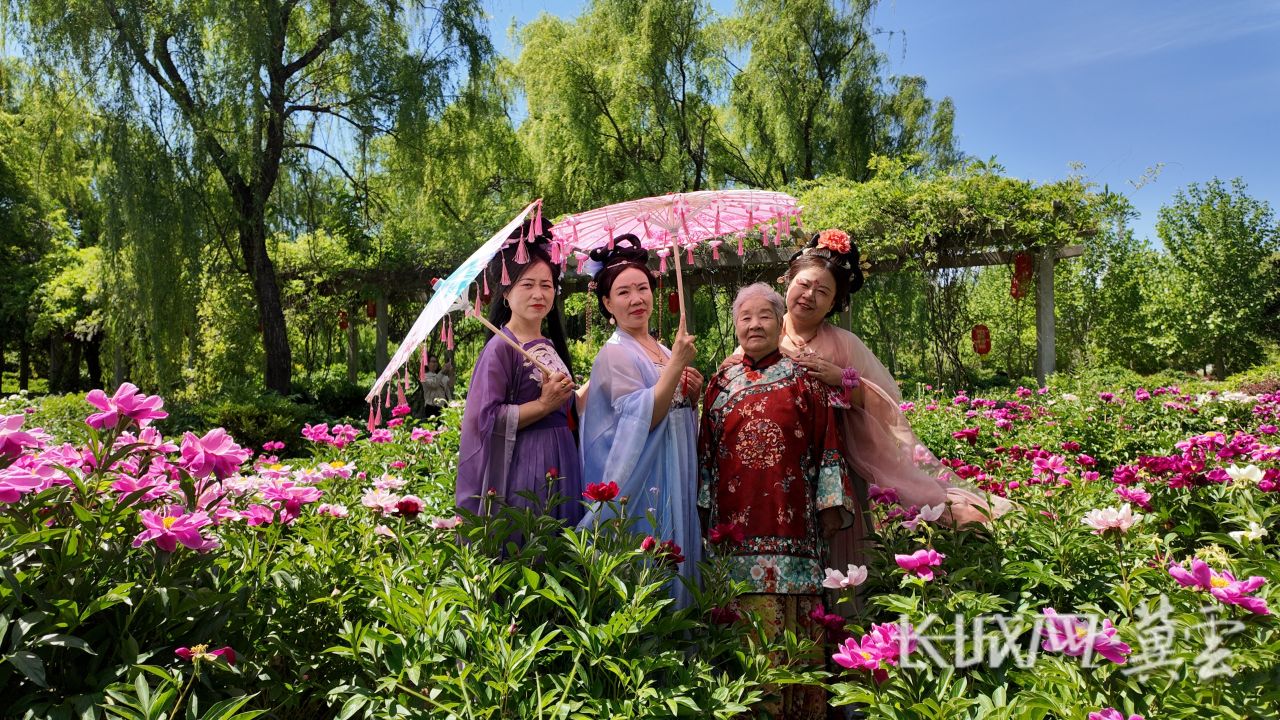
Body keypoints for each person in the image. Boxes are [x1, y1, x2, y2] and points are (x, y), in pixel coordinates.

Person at [775, 229, 1009, 580]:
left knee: (839, 557)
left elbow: (883, 403)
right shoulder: (763, 333)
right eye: (804, 284)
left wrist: (842, 379)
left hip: (836, 468)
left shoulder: (845, 343)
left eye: (823, 292)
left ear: (835, 302)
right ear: (788, 281)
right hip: (780, 465)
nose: (809, 296)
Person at [699, 283, 856, 720]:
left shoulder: (806, 380)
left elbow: (828, 445)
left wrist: (829, 508)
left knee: (796, 650)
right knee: (742, 655)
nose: (754, 325)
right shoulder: (719, 384)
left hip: (795, 534)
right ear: (735, 325)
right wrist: (702, 515)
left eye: (764, 316)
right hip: (734, 538)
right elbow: (705, 458)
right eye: (745, 317)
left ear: (779, 321)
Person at [578, 235, 703, 607]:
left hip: (676, 463)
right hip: (647, 475)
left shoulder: (661, 348)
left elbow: (674, 407)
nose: (636, 299)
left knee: (678, 545)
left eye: (642, 288)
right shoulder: (615, 353)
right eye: (623, 292)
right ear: (607, 303)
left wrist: (692, 395)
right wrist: (676, 366)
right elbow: (643, 418)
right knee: (653, 556)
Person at [456, 219, 583, 523]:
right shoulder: (500, 348)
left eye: (546, 285)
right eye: (527, 285)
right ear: (506, 292)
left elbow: (565, 407)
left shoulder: (549, 345)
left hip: (563, 457)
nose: (538, 294)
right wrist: (542, 405)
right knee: (532, 538)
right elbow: (484, 419)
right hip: (526, 464)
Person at [419, 353, 453, 417]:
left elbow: (450, 384)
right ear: (427, 363)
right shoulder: (424, 376)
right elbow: (434, 384)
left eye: (436, 362)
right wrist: (442, 371)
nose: (435, 364)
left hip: (444, 407)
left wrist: (451, 372)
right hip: (432, 408)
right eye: (433, 362)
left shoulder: (441, 375)